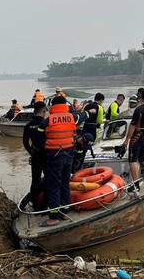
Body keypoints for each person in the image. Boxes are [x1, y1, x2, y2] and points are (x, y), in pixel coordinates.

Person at [36, 96, 87, 226]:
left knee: (54, 185)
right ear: (65, 105)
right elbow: (84, 115)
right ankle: (65, 211)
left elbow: (38, 139)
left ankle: (53, 217)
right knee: (65, 184)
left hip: (54, 156)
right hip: (69, 156)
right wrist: (87, 110)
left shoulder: (48, 121)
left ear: (52, 106)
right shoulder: (72, 117)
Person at [21, 101, 47, 211]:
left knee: (35, 180)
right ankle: (45, 204)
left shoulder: (28, 125)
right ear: (43, 111)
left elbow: (25, 143)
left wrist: (31, 152)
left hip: (35, 155)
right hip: (46, 156)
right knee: (49, 179)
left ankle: (35, 205)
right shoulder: (46, 123)